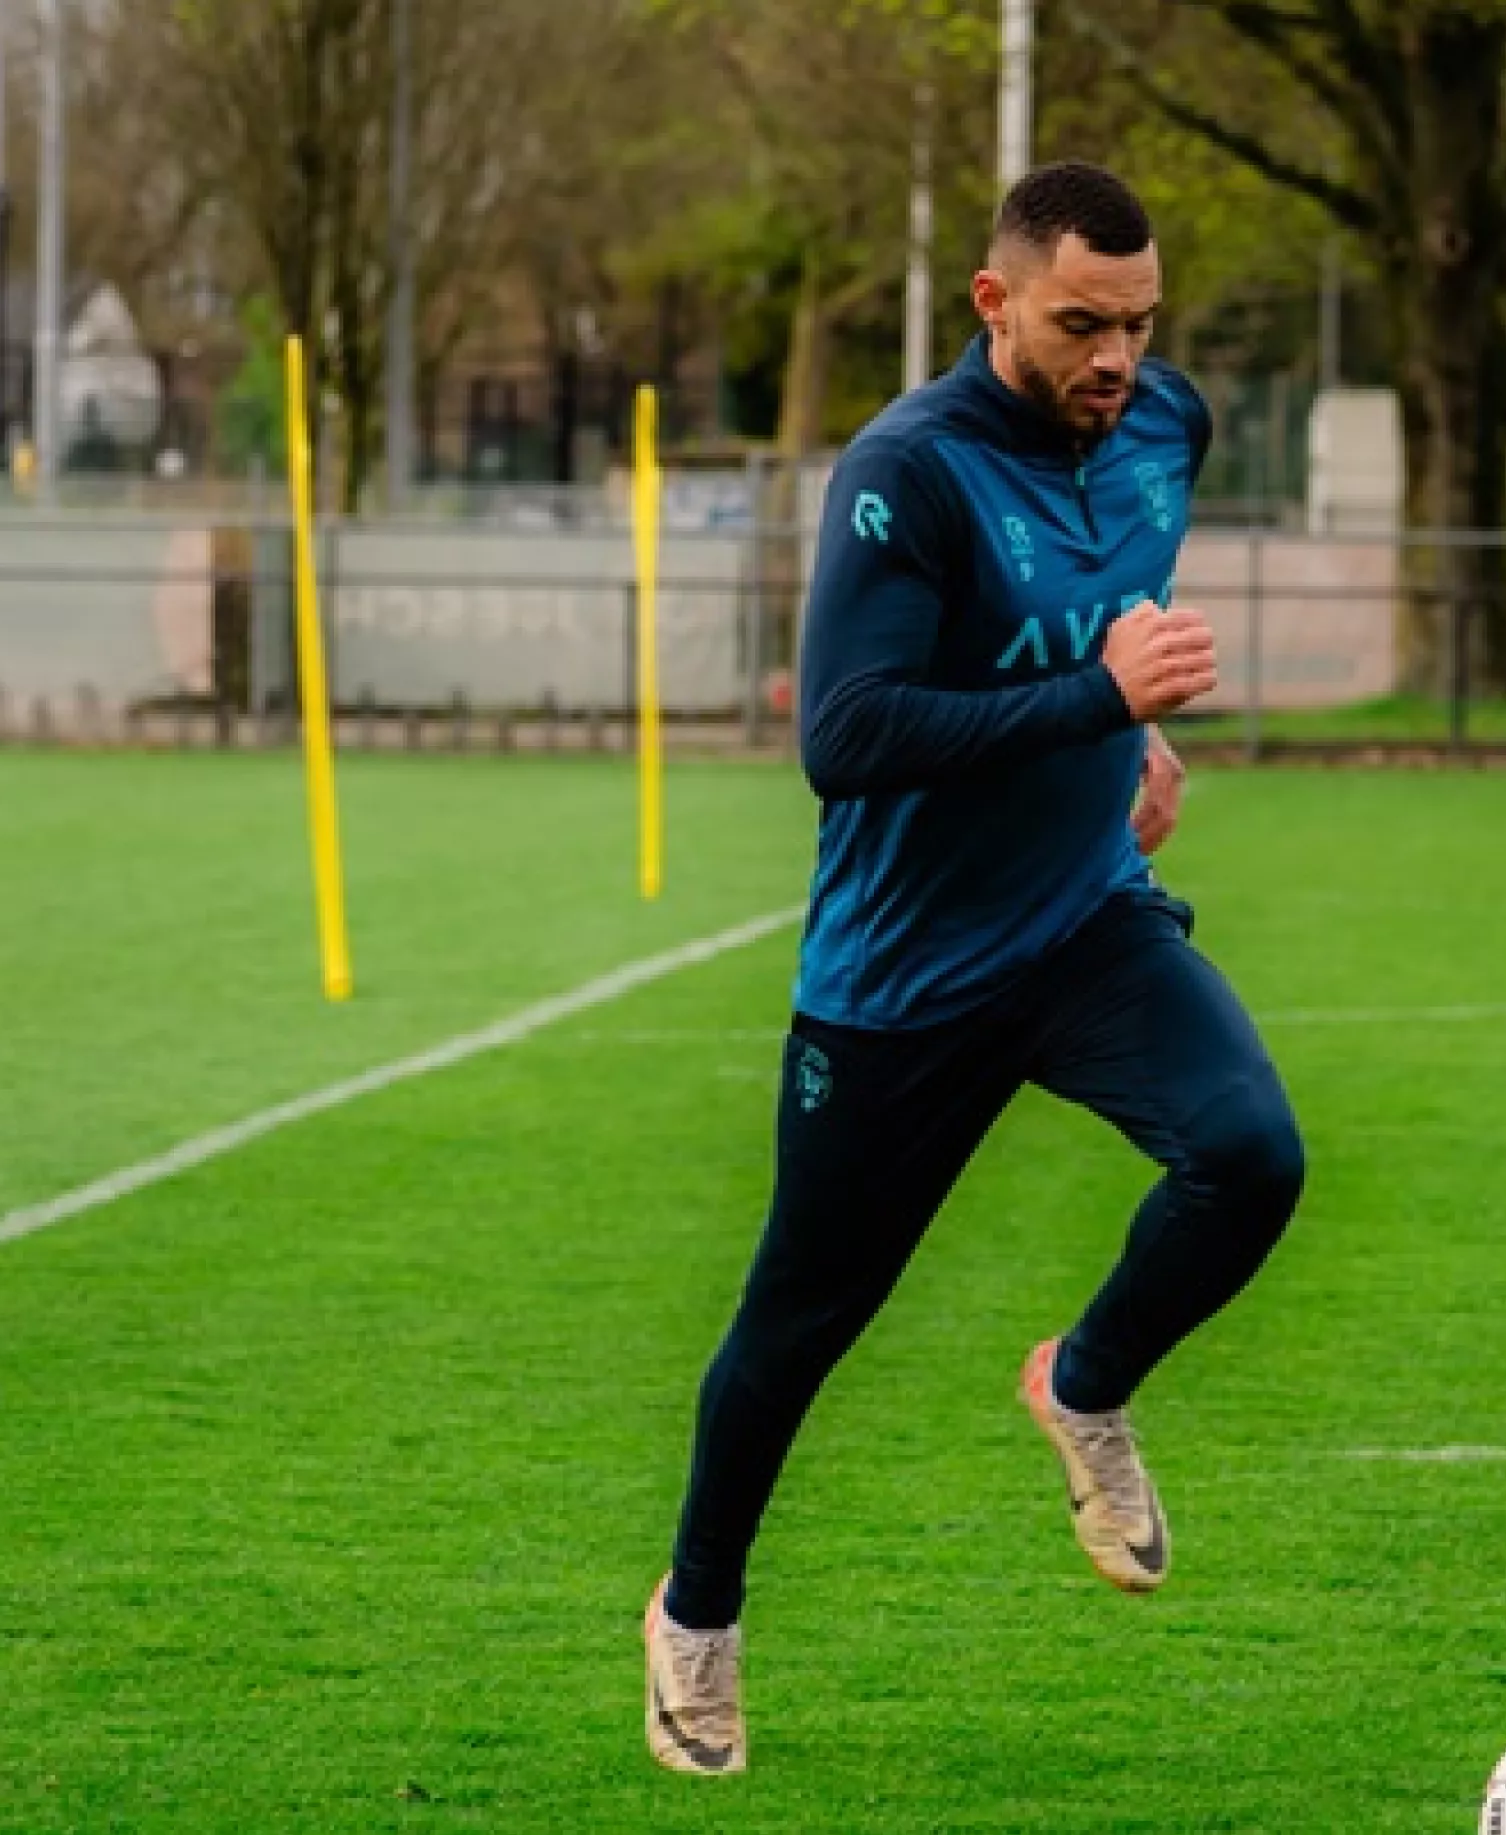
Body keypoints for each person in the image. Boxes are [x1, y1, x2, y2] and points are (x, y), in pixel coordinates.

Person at [642, 162, 1306, 1771]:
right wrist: (1099, 696)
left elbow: (1112, 606)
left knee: (1251, 1156)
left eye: (1141, 325)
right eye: (1083, 323)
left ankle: (1084, 1385)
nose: (1117, 361)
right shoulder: (905, 473)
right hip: (901, 983)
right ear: (994, 301)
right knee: (799, 1327)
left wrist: (1130, 743)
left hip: (1083, 921)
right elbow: (845, 737)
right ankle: (697, 1617)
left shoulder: (1168, 425)